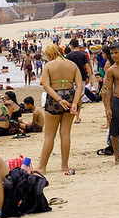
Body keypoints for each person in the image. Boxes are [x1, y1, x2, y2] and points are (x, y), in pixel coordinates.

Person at [36, 44, 83, 175]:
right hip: (70, 95)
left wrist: (58, 99)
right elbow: (79, 86)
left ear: (50, 54)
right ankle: (64, 165)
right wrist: (75, 103)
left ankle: (42, 166)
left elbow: (46, 86)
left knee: (49, 135)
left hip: (54, 98)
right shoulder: (72, 65)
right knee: (65, 133)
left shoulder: (49, 66)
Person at [64, 39, 91, 123]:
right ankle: (77, 116)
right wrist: (90, 77)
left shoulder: (69, 55)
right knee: (79, 96)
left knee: (75, 96)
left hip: (71, 78)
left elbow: (66, 67)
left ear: (71, 45)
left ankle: (74, 115)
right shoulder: (83, 54)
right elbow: (87, 66)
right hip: (82, 77)